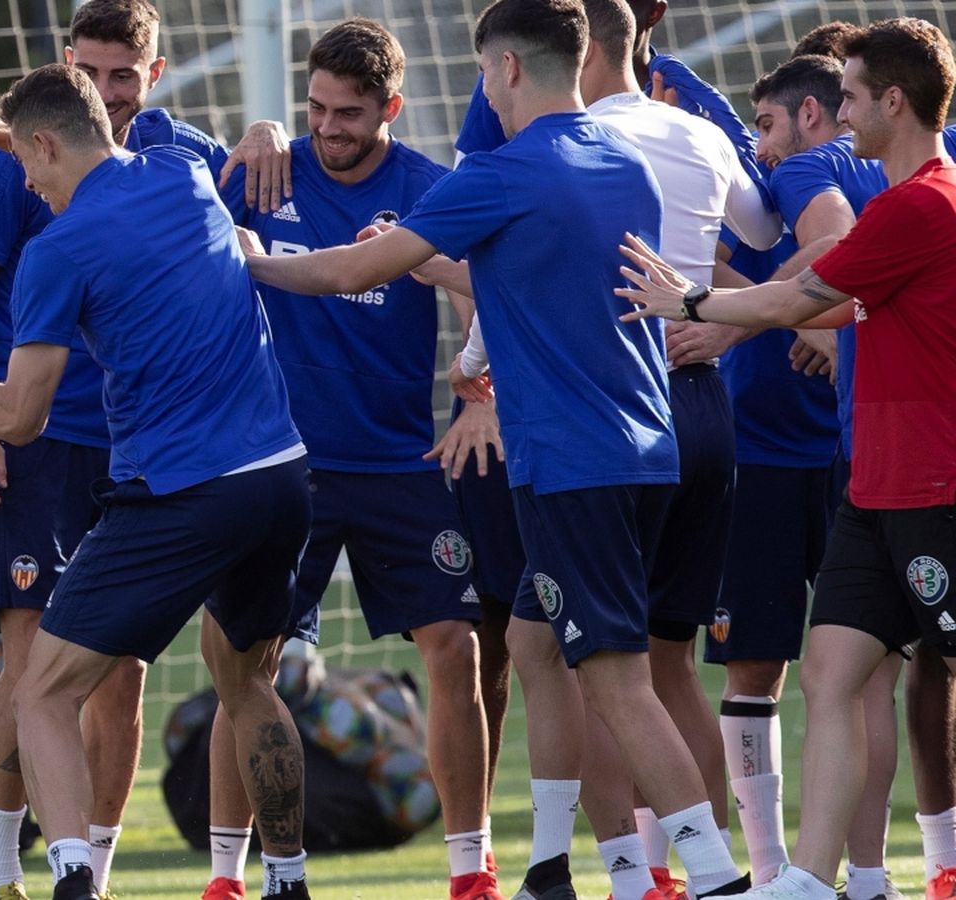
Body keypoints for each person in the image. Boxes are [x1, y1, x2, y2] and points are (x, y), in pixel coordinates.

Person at [242, 1, 752, 896]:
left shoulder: (504, 172)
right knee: (532, 640)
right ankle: (552, 867)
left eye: (482, 72)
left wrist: (251, 258)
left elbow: (347, 273)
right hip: (647, 444)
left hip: (571, 461)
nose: (482, 86)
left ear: (509, 68)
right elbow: (533, 273)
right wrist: (452, 295)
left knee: (620, 679)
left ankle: (709, 877)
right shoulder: (623, 159)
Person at [0, 63, 314, 900]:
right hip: (280, 476)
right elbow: (92, 144)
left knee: (41, 688)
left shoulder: (57, 250)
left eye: (28, 164)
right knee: (248, 684)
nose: (28, 183)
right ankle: (287, 882)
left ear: (42, 146)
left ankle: (73, 879)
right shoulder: (183, 172)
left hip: (183, 493)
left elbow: (20, 419)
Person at [612, 18, 956, 899]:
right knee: (835, 675)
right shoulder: (895, 204)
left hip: (935, 489)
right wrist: (735, 304)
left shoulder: (925, 201)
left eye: (848, 97)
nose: (836, 114)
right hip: (873, 493)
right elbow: (830, 311)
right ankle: (811, 877)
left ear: (892, 100)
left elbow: (807, 292)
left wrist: (687, 296)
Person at [199, 18, 496, 900]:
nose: (328, 126)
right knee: (243, 661)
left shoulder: (435, 190)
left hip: (404, 460)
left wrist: (476, 394)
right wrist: (245, 142)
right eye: (317, 108)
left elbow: (509, 297)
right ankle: (224, 875)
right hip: (280, 463)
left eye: (350, 112)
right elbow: (164, 211)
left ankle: (469, 869)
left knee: (455, 648)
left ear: (390, 109)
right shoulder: (264, 171)